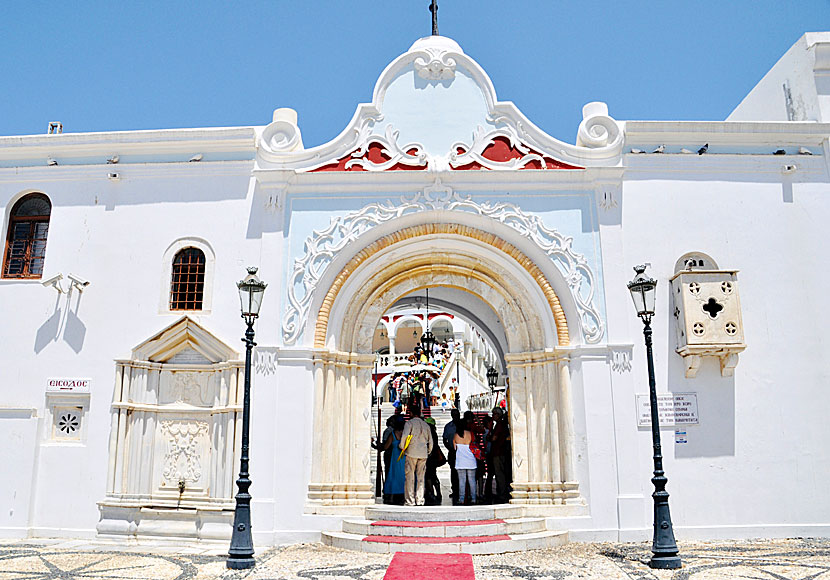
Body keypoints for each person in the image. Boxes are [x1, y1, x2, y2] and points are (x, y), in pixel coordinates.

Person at [400, 404, 432, 506]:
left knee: (410, 477)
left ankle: (410, 500)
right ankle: (420, 499)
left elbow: (405, 436)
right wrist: (428, 451)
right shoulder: (426, 425)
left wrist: (402, 447)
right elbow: (431, 441)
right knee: (421, 477)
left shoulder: (409, 424)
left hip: (411, 452)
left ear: (411, 413)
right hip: (423, 453)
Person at [453, 413, 478, 505]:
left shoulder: (456, 435)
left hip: (460, 461)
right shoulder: (470, 434)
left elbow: (455, 448)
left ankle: (462, 498)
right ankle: (474, 498)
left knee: (462, 481)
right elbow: (475, 444)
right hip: (471, 461)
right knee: (472, 480)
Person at [381, 415, 406, 504]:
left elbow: (386, 446)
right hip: (404, 456)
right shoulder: (406, 434)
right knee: (403, 475)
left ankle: (391, 496)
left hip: (395, 457)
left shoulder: (393, 434)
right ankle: (404, 495)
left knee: (393, 475)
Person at [490, 407, 510, 503]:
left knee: (500, 474)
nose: (493, 416)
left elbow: (494, 438)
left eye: (494, 414)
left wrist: (489, 437)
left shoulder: (499, 425)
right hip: (498, 452)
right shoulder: (499, 424)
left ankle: (502, 494)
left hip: (498, 452)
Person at [424, 417, 444, 505]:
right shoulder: (434, 432)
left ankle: (431, 493)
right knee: (433, 475)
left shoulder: (429, 432)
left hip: (430, 456)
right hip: (434, 456)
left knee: (429, 476)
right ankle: (438, 493)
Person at [442, 408, 461, 501]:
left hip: (463, 452)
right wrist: (449, 448)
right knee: (453, 472)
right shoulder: (448, 427)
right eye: (454, 415)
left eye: (457, 415)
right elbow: (444, 439)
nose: (456, 417)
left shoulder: (463, 425)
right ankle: (455, 490)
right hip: (452, 452)